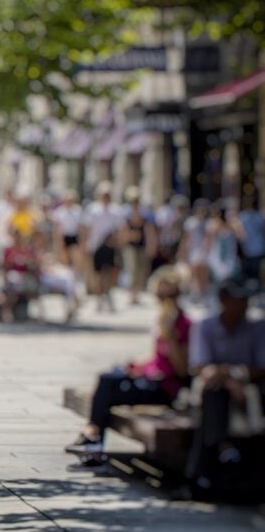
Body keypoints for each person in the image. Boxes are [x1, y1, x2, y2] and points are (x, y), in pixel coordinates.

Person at [66, 270, 191, 461]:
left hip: (166, 388)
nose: (162, 300)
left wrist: (170, 337)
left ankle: (94, 437)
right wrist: (136, 367)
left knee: (107, 385)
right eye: (159, 295)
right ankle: (94, 439)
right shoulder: (165, 320)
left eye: (167, 296)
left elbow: (181, 369)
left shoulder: (183, 323)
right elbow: (158, 359)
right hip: (152, 379)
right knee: (109, 378)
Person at [185, 277, 265, 496]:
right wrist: (229, 380)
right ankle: (222, 447)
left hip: (248, 390)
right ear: (223, 300)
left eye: (245, 300)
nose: (242, 305)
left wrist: (232, 374)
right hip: (213, 389)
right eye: (238, 299)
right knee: (214, 389)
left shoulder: (256, 328)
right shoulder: (205, 326)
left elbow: (260, 368)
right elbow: (202, 366)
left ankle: (221, 453)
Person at [80, 182, 123, 313]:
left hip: (110, 247)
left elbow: (119, 229)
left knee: (109, 273)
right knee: (97, 274)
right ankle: (99, 298)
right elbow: (86, 228)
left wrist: (115, 241)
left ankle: (108, 295)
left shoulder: (115, 211)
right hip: (95, 246)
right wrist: (85, 243)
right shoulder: (93, 210)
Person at [121, 186, 157, 305]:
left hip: (142, 246)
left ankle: (137, 293)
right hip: (131, 246)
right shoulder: (126, 213)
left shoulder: (145, 213)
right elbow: (124, 232)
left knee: (142, 270)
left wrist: (151, 246)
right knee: (132, 269)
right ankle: (132, 293)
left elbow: (149, 231)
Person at [180, 199, 212, 303]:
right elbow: (186, 239)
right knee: (193, 274)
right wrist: (183, 251)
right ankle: (195, 294)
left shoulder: (209, 223)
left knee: (203, 274)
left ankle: (204, 294)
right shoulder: (191, 222)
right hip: (193, 251)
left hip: (205, 253)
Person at [233, 194, 264, 285]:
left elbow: (240, 235)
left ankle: (252, 290)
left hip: (248, 249)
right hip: (259, 248)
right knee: (256, 271)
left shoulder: (241, 217)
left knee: (249, 272)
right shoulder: (259, 216)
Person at [51, 190, 83, 272]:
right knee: (64, 258)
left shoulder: (78, 211)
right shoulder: (59, 212)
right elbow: (57, 227)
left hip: (74, 236)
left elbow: (80, 227)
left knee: (76, 257)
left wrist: (81, 240)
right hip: (64, 237)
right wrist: (58, 241)